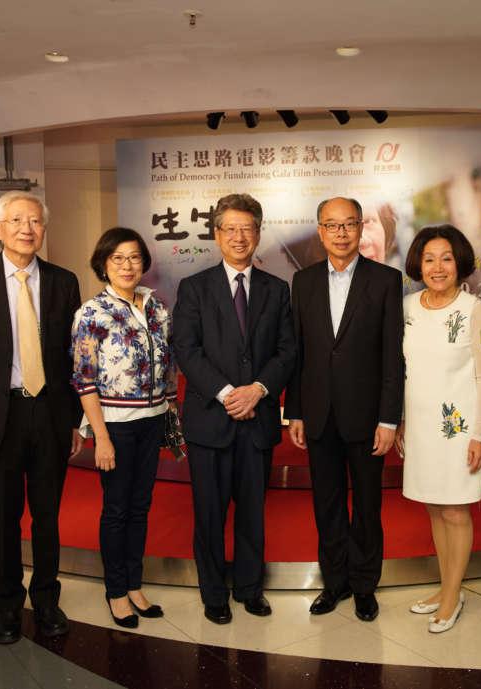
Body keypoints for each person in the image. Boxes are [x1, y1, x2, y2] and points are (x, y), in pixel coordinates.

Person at [0, 191, 82, 644]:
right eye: (17, 220)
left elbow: (72, 359)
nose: (27, 229)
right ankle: (7, 606)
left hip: (50, 413)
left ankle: (46, 600)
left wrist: (74, 420)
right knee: (5, 518)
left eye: (35, 221)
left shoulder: (64, 282)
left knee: (47, 516)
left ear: (44, 229)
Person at [172, 193, 296, 625]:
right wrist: (228, 393)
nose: (239, 237)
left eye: (248, 229)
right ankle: (213, 594)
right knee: (208, 514)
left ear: (258, 234)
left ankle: (249, 588)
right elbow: (186, 350)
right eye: (231, 229)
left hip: (257, 420)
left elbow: (287, 351)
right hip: (210, 421)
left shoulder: (277, 290)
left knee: (252, 512)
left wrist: (258, 390)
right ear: (217, 234)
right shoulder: (194, 288)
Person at [285, 196, 404, 622]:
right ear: (320, 231)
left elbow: (392, 355)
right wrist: (295, 411)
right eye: (332, 225)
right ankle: (334, 582)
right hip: (319, 414)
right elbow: (298, 352)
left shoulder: (386, 280)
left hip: (368, 417)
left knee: (368, 506)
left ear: (359, 228)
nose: (341, 233)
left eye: (349, 224)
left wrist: (389, 418)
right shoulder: (304, 282)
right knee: (328, 503)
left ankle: (365, 586)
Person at [71, 227, 177, 629]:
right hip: (114, 426)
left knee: (140, 506)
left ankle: (134, 584)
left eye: (134, 257)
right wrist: (100, 437)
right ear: (103, 264)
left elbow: (168, 363)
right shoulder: (92, 313)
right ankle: (116, 591)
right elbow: (83, 380)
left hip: (152, 422)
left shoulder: (156, 306)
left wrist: (170, 412)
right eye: (117, 258)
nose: (127, 265)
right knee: (116, 510)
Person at [395, 225, 481, 633]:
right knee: (435, 508)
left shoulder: (475, 310)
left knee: (455, 510)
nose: (438, 268)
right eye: (429, 259)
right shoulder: (407, 307)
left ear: (460, 263)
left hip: (458, 429)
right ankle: (445, 585)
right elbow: (403, 371)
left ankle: (454, 594)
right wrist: (401, 419)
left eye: (447, 259)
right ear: (418, 264)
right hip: (420, 426)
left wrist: (479, 434)